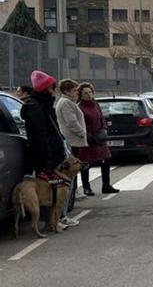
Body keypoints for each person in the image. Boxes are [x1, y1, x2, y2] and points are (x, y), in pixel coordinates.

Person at [20, 71, 73, 230]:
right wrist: (47, 161)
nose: (54, 89)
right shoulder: (35, 107)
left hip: (54, 154)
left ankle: (54, 220)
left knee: (55, 188)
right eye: (52, 86)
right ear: (45, 88)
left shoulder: (44, 105)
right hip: (47, 157)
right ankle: (47, 222)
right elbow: (39, 137)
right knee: (48, 189)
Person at [76, 83, 119, 195]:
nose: (88, 95)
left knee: (106, 159)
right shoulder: (79, 107)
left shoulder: (96, 104)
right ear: (80, 95)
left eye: (90, 92)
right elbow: (81, 124)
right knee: (86, 163)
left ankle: (106, 185)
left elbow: (101, 118)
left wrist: (104, 128)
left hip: (100, 137)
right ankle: (86, 187)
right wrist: (89, 136)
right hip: (88, 139)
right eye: (85, 93)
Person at [55, 79, 87, 223]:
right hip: (72, 140)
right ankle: (64, 213)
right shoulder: (66, 103)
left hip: (72, 139)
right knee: (71, 174)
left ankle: (66, 209)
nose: (76, 93)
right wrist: (82, 133)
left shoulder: (66, 102)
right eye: (74, 90)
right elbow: (71, 121)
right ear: (67, 91)